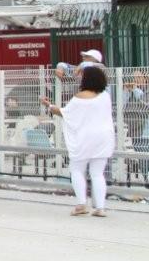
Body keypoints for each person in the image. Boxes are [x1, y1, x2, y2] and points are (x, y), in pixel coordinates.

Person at [42, 65, 115, 217]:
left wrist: (49, 105)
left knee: (76, 169)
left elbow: (64, 113)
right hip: (104, 138)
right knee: (97, 173)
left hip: (84, 138)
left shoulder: (79, 98)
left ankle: (81, 204)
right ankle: (100, 208)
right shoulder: (105, 97)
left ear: (86, 79)